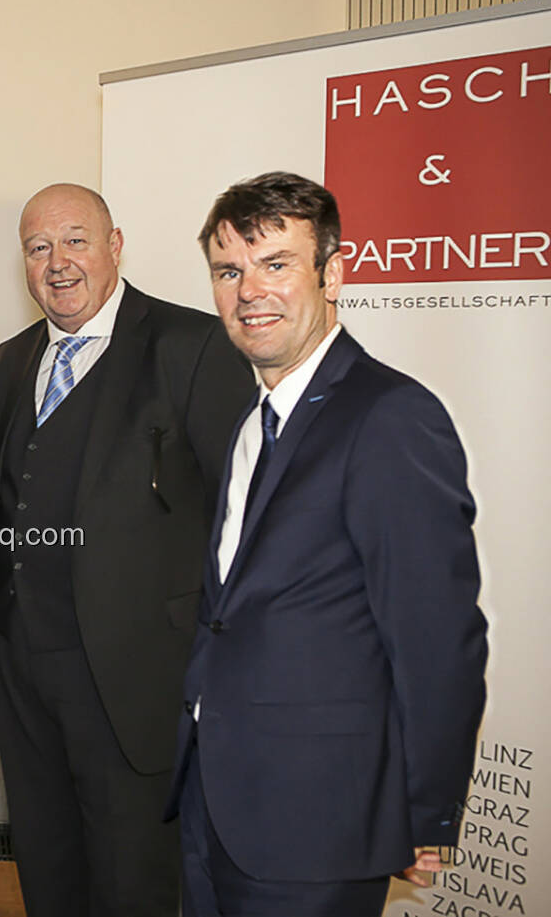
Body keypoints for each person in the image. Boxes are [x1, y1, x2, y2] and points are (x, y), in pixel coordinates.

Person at [168, 171, 488, 916]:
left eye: (276, 264)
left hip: (319, 823)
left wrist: (429, 807)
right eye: (229, 271)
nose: (250, 291)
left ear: (333, 272)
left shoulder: (390, 415)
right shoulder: (251, 419)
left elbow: (439, 635)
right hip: (212, 808)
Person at [0, 183, 253, 916]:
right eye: (38, 247)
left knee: (134, 881)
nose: (57, 262)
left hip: (136, 680)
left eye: (75, 240)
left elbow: (245, 516)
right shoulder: (9, 360)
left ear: (114, 245)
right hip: (22, 668)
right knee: (46, 865)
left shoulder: (193, 346)